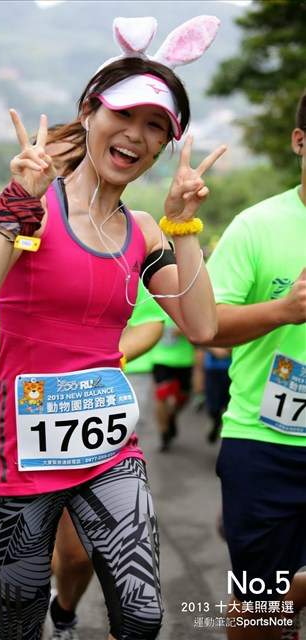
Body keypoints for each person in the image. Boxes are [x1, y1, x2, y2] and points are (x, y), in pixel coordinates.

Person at [0, 14, 225, 640]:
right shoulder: (33, 208)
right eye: (124, 115)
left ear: (164, 144)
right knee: (18, 620)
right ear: (89, 111)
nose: (136, 136)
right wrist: (17, 205)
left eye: (155, 126)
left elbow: (203, 325)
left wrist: (182, 225)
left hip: (108, 448)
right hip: (22, 447)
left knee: (143, 616)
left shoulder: (143, 232)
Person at [206, 91, 306, 640]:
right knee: (259, 602)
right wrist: (283, 311)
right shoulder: (256, 225)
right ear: (299, 141)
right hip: (264, 442)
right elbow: (208, 326)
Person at [151, 314, 195, 451]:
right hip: (161, 360)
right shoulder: (155, 307)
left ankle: (171, 416)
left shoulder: (187, 308)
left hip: (184, 360)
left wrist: (185, 330)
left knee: (184, 397)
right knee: (162, 395)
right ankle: (164, 433)